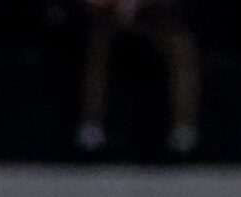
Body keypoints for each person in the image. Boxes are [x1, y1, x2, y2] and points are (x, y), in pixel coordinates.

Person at [76, 0, 202, 159]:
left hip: (155, 19)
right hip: (108, 18)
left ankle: (183, 134)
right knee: (96, 53)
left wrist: (138, 5)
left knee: (183, 52)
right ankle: (90, 130)